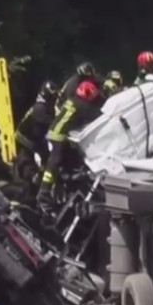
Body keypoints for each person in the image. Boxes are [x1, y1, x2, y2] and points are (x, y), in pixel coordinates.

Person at [38, 77, 104, 211]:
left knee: (69, 159)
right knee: (55, 160)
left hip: (55, 133)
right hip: (58, 136)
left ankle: (68, 179)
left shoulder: (72, 100)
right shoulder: (82, 105)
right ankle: (44, 191)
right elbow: (98, 115)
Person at [15, 81, 59, 183]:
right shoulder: (40, 109)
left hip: (34, 139)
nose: (54, 99)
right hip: (27, 141)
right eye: (53, 97)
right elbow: (53, 124)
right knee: (44, 159)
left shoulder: (43, 106)